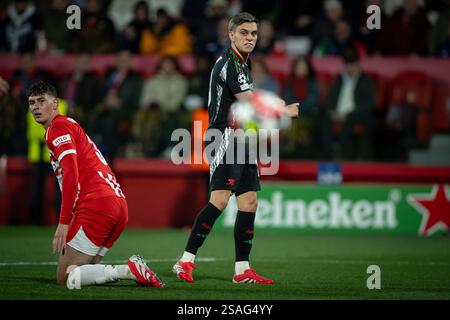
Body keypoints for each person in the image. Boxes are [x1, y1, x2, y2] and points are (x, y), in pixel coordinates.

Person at [172, 12, 299, 284]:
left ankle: (242, 270)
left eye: (253, 33)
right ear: (231, 35)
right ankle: (185, 261)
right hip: (225, 136)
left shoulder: (243, 63)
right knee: (219, 200)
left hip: (242, 138)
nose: (250, 38)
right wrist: (283, 110)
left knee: (249, 201)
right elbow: (250, 102)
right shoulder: (231, 63)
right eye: (244, 33)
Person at [27, 81, 163, 289]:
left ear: (55, 104)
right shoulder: (70, 124)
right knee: (82, 270)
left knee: (64, 277)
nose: (36, 107)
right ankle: (128, 270)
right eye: (32, 102)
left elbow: (71, 173)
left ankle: (127, 270)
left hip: (96, 206)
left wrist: (63, 222)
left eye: (41, 101)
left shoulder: (58, 128)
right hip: (117, 205)